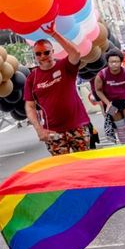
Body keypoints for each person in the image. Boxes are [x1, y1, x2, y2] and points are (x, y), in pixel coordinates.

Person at [24, 25, 91, 156]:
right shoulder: (32, 78)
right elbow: (30, 106)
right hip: (53, 131)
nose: (43, 56)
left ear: (53, 51)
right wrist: (39, 130)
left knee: (84, 165)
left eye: (46, 52)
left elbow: (76, 53)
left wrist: (54, 34)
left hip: (78, 125)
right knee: (61, 169)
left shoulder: (65, 66)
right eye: (38, 53)